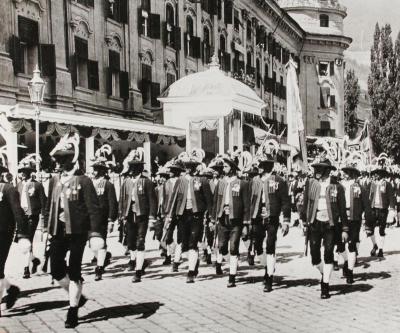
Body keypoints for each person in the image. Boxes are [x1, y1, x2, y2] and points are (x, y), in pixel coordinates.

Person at [44, 133, 104, 328]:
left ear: (73, 159)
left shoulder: (83, 180)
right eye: (59, 158)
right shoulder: (54, 180)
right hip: (58, 230)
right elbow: (48, 206)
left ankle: (73, 309)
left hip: (77, 232)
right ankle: (77, 295)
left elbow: (93, 209)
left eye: (65, 158)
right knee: (55, 269)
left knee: (75, 270)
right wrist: (47, 227)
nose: (61, 162)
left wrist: (95, 233)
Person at [301, 158, 348, 299]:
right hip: (315, 222)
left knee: (328, 253)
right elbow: (305, 203)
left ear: (327, 171)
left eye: (320, 169)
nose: (316, 171)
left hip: (330, 224)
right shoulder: (310, 184)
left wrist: (345, 229)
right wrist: (304, 221)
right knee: (314, 255)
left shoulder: (337, 187)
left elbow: (342, 209)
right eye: (315, 168)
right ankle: (324, 273)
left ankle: (325, 285)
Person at [165, 149, 213, 283]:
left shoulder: (202, 180)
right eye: (186, 166)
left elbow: (209, 201)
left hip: (196, 215)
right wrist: (170, 216)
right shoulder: (180, 181)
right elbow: (173, 199)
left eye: (191, 166)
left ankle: (191, 271)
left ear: (195, 167)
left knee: (193, 243)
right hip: (182, 215)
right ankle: (194, 263)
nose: (188, 169)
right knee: (184, 244)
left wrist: (211, 218)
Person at [250, 145, 290, 292]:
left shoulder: (279, 180)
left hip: (272, 218)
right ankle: (267, 266)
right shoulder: (254, 181)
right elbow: (250, 201)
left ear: (266, 166)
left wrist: (286, 221)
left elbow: (286, 201)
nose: (258, 167)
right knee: (258, 246)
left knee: (271, 245)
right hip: (256, 218)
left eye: (260, 165)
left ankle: (269, 277)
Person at [0, 147, 31, 317]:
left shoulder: (9, 189)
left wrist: (23, 235)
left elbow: (18, 213)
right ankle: (11, 289)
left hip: (3, 232)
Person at [211, 153, 250, 287]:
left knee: (233, 247)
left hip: (236, 220)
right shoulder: (220, 183)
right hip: (222, 218)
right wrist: (212, 219)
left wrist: (245, 223)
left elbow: (246, 205)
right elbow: (215, 201)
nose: (224, 168)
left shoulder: (242, 184)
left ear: (232, 168)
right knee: (222, 247)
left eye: (226, 166)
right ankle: (232, 262)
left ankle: (232, 277)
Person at [123, 148, 157, 283]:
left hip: (142, 215)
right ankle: (135, 260)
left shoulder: (147, 182)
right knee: (130, 242)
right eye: (130, 166)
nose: (131, 169)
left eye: (134, 166)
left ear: (139, 168)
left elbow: (152, 201)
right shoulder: (126, 182)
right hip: (130, 215)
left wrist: (152, 218)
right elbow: (123, 200)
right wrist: (122, 215)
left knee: (140, 241)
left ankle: (138, 271)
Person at [16, 154, 47, 279]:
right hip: (21, 216)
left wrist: (44, 219)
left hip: (31, 216)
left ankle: (26, 268)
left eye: (25, 172)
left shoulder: (37, 185)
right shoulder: (18, 185)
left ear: (30, 172)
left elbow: (44, 202)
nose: (22, 174)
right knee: (22, 243)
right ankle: (34, 260)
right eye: (21, 172)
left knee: (27, 241)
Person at [90, 144, 118, 281]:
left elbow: (113, 203)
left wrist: (111, 220)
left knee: (101, 242)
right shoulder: (89, 183)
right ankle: (103, 257)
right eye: (93, 168)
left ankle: (99, 268)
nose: (93, 171)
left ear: (101, 170)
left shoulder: (108, 185)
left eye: (96, 169)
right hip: (89, 218)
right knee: (91, 244)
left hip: (102, 218)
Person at [340, 163, 368, 284]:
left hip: (354, 218)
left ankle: (350, 271)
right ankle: (346, 260)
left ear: (352, 174)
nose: (345, 174)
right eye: (344, 172)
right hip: (341, 218)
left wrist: (367, 221)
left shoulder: (360, 187)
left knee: (352, 244)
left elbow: (366, 205)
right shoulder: (338, 186)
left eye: (347, 172)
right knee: (339, 245)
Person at [366, 164, 395, 258]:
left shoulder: (387, 184)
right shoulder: (372, 184)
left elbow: (391, 197)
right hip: (373, 208)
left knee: (381, 230)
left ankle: (381, 249)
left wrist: (392, 209)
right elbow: (368, 197)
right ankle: (375, 245)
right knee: (369, 229)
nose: (376, 175)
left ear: (382, 175)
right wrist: (366, 208)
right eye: (375, 174)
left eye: (378, 174)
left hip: (383, 209)